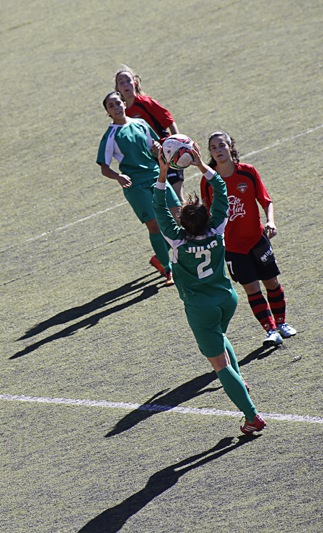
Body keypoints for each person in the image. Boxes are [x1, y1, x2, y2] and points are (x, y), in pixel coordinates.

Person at [152, 145, 266, 435]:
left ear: (182, 222)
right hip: (227, 299)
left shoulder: (177, 240)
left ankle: (252, 416)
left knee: (219, 365)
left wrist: (163, 172)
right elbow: (221, 192)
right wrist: (202, 165)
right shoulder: (217, 229)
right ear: (207, 216)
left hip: (201, 308)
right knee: (221, 337)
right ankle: (239, 383)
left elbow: (159, 208)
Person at [202, 131, 296, 348]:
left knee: (272, 282)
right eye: (213, 147)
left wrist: (270, 221)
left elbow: (266, 200)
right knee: (252, 288)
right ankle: (271, 330)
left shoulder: (248, 172)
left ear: (230, 147)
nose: (218, 150)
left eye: (221, 145)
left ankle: (282, 323)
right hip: (233, 249)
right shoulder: (208, 182)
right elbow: (208, 214)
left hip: (257, 240)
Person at [97, 91, 181, 285]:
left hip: (156, 175)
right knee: (154, 226)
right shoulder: (110, 135)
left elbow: (156, 148)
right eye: (111, 106)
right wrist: (118, 176)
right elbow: (104, 167)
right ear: (107, 112)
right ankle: (168, 268)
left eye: (118, 103)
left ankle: (168, 257)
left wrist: (157, 150)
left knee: (177, 215)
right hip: (135, 185)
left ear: (124, 104)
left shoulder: (141, 124)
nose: (116, 108)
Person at [114, 66, 187, 201]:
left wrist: (178, 145)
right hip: (149, 163)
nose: (125, 85)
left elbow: (169, 121)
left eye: (128, 81)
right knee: (164, 202)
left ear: (135, 83)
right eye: (121, 82)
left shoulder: (146, 102)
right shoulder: (121, 116)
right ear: (117, 88)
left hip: (166, 153)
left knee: (178, 198)